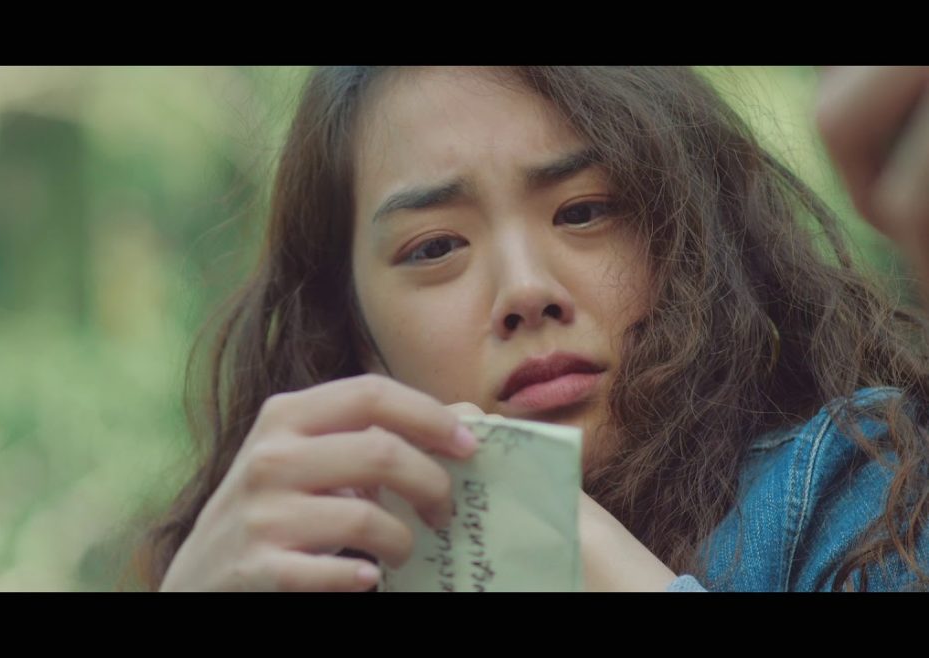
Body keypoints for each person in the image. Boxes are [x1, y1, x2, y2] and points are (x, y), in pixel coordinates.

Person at [135, 66, 929, 591]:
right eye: (435, 248)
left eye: (584, 211)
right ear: (354, 331)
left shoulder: (860, 490)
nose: (524, 291)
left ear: (692, 236)